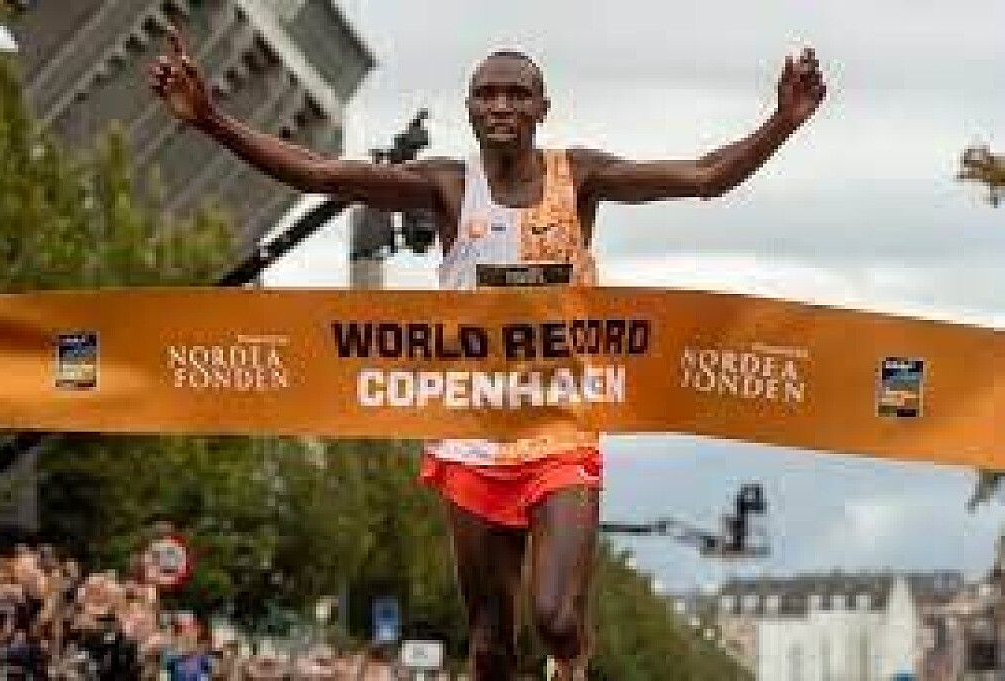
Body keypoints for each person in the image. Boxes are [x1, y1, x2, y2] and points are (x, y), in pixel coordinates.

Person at [149, 28, 825, 680]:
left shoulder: (577, 177)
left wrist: (782, 122)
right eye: (487, 94)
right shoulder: (447, 185)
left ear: (542, 108)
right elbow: (324, 175)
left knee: (556, 616)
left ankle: (572, 659)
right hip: (471, 438)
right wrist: (211, 121)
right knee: (491, 646)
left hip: (560, 429)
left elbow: (704, 177)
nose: (501, 106)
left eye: (517, 94)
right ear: (470, 109)